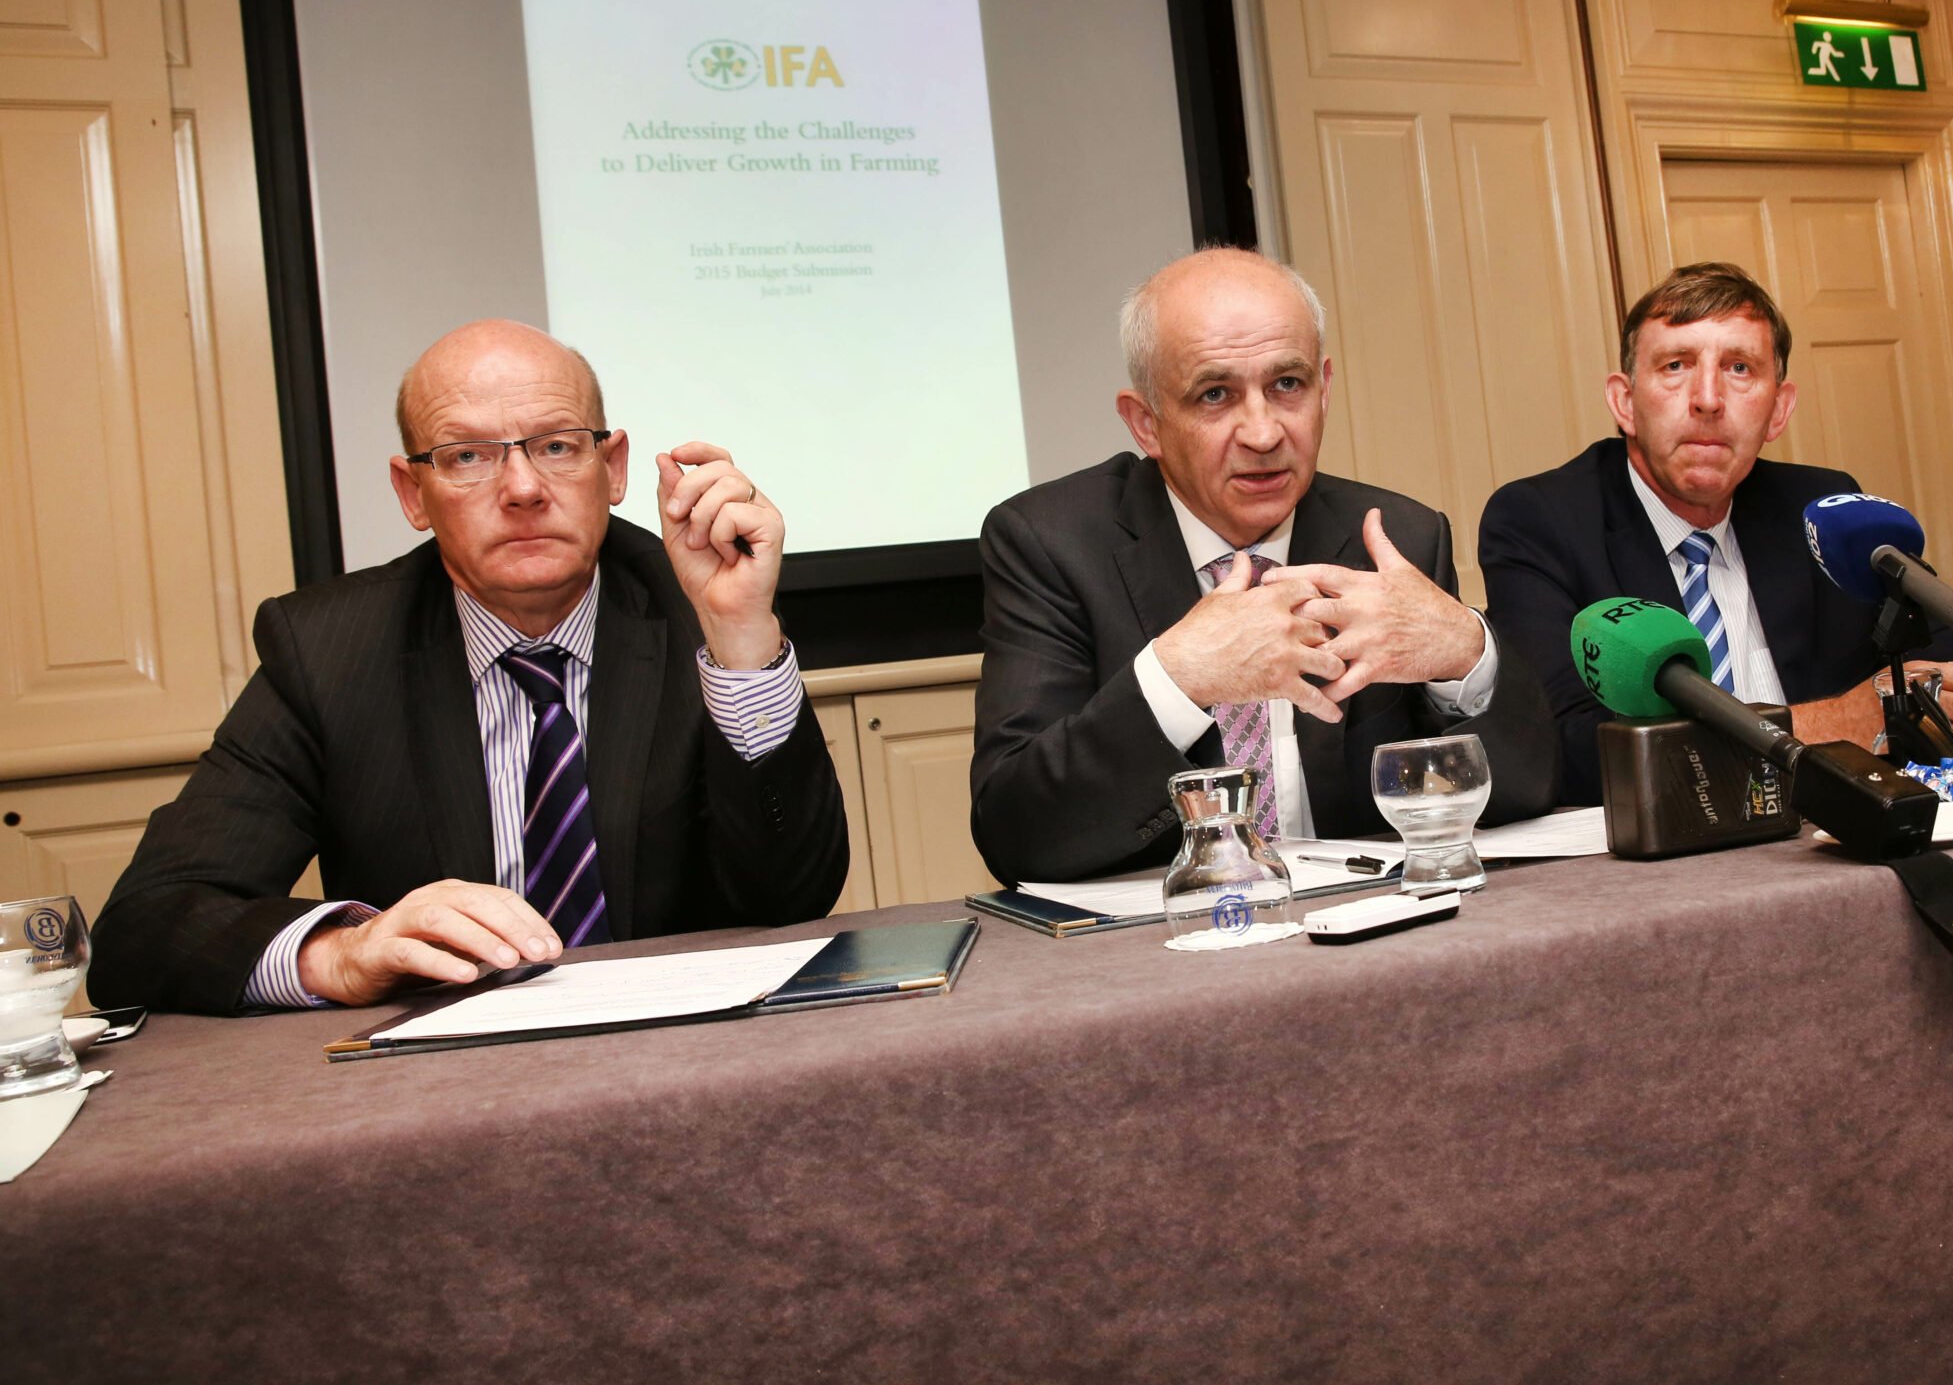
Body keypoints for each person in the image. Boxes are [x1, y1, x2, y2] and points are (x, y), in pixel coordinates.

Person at [89, 320, 850, 1015]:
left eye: (557, 446)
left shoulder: (702, 606)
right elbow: (144, 927)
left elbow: (793, 897)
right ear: (412, 493)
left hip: (689, 1054)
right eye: (467, 457)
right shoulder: (328, 651)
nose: (522, 489)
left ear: (612, 467)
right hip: (446, 1081)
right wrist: (343, 953)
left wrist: (741, 641)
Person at [970, 247, 1559, 883]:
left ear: (1324, 389)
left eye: (1287, 385)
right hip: (1167, 935)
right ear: (1146, 424)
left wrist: (1465, 652)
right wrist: (1178, 678)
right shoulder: (1052, 543)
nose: (1263, 433)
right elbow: (1016, 833)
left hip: (1362, 922)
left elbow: (1525, 795)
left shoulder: (1397, 538)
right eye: (1215, 394)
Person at [1480, 262, 1953, 806]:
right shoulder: (1542, 522)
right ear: (1625, 401)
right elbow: (1559, 751)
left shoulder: (1821, 509)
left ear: (1779, 409)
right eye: (1675, 365)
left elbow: (1934, 659)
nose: (1707, 398)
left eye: (1739, 368)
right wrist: (1838, 722)